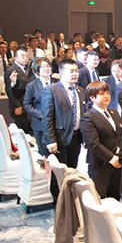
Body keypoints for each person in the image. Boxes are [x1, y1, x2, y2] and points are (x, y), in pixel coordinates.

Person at [42, 59, 85, 201]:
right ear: (61, 74)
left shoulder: (80, 90)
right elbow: (47, 117)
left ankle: (70, 199)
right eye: (71, 71)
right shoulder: (52, 90)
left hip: (76, 137)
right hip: (59, 138)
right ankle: (58, 202)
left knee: (72, 170)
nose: (75, 74)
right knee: (59, 173)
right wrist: (50, 140)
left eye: (76, 71)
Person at [80, 81, 122, 200]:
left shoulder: (114, 113)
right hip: (100, 164)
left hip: (118, 162)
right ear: (92, 97)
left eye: (107, 93)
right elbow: (94, 144)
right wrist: (112, 158)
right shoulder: (88, 117)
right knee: (100, 199)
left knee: (115, 198)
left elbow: (121, 135)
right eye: (102, 94)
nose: (106, 96)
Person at [23, 58, 55, 157]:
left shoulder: (58, 83)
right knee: (45, 154)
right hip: (40, 124)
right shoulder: (31, 86)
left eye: (48, 66)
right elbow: (27, 104)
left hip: (58, 124)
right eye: (42, 67)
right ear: (37, 71)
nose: (46, 69)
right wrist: (41, 114)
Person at [5, 47, 34, 133]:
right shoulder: (11, 70)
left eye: (26, 56)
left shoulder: (27, 69)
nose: (25, 58)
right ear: (15, 58)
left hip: (28, 104)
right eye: (22, 56)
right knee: (24, 131)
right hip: (19, 105)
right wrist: (17, 106)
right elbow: (9, 90)